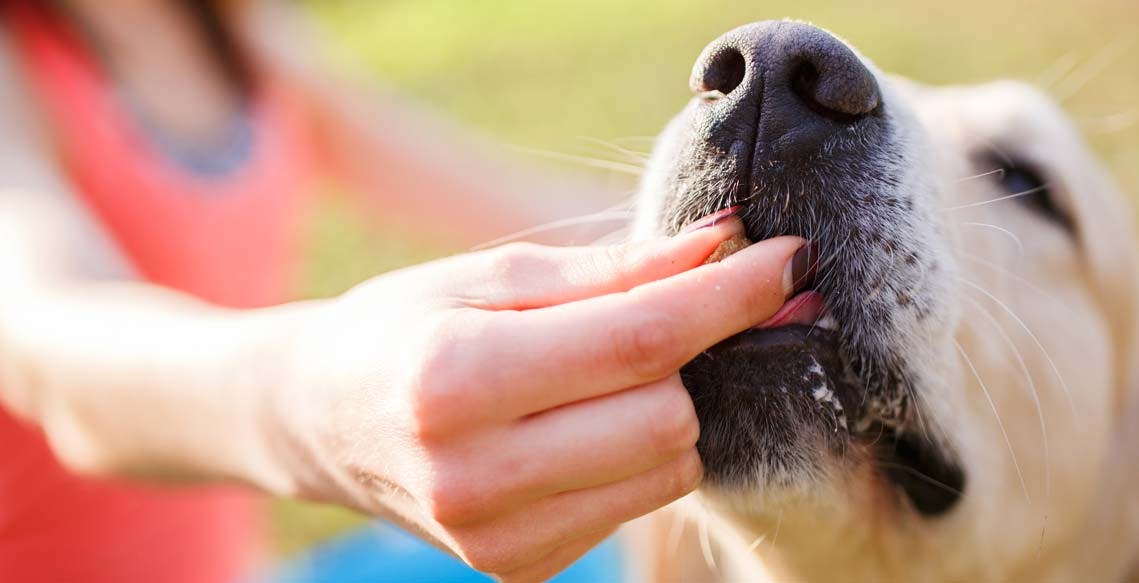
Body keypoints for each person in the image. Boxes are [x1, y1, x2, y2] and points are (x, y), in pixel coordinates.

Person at [0, 1, 812, 582]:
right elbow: (57, 352)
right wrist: (309, 410)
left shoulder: (237, 32)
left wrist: (724, 223)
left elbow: (488, 193)